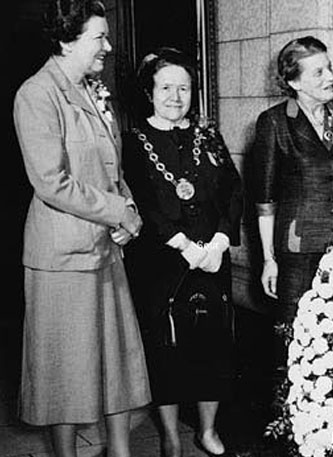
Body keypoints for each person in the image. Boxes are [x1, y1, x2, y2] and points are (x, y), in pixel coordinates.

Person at [12, 0, 150, 456]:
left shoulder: (94, 91)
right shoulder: (36, 94)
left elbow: (113, 169)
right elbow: (51, 181)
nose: (107, 47)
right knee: (64, 374)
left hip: (106, 248)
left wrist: (129, 214)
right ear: (68, 42)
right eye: (99, 38)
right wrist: (116, 211)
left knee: (116, 363)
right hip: (61, 257)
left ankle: (121, 452)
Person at [122, 47, 242, 457]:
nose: (176, 96)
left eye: (184, 88)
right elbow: (142, 201)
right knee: (166, 349)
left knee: (213, 346)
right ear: (150, 92)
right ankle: (171, 435)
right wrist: (183, 245)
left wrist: (221, 241)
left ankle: (207, 429)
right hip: (163, 261)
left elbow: (233, 191)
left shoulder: (208, 136)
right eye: (167, 88)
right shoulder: (134, 142)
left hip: (212, 256)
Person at [251, 36, 333, 326]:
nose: (330, 77)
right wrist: (269, 259)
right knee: (297, 333)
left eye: (329, 68)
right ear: (294, 83)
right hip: (298, 250)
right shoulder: (274, 122)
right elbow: (265, 201)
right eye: (318, 72)